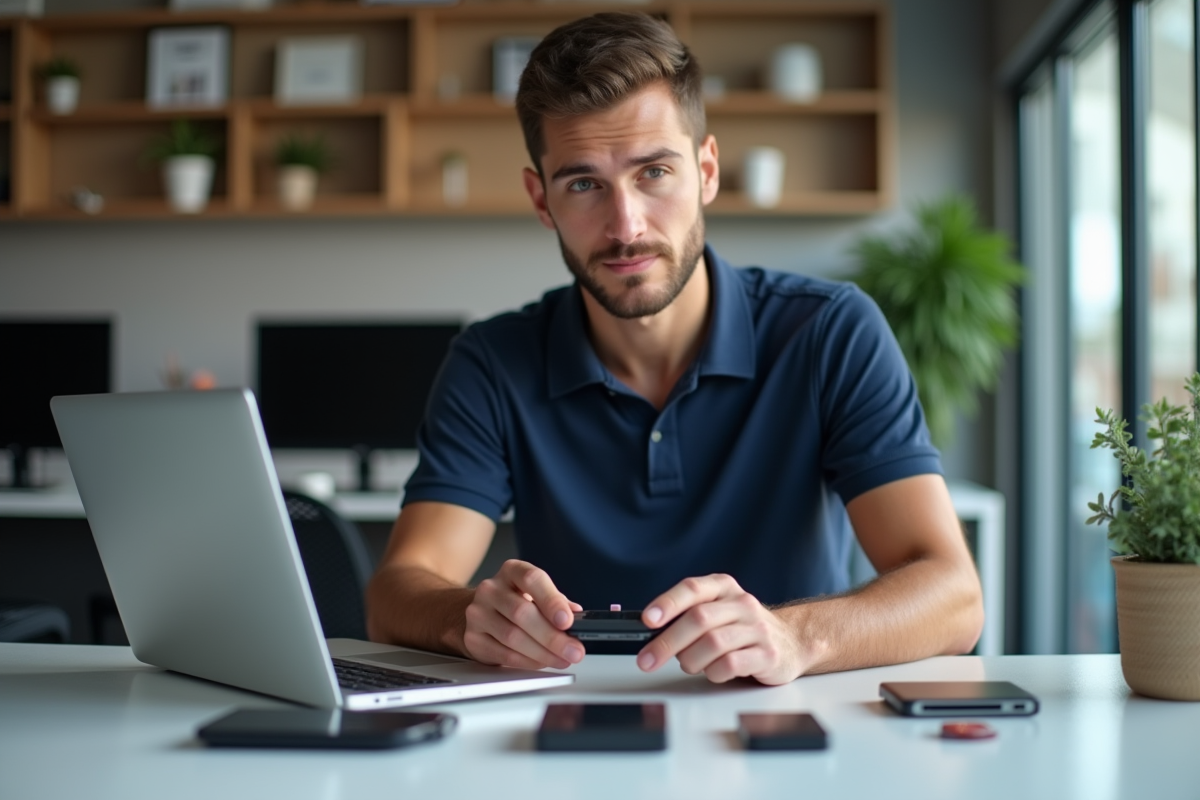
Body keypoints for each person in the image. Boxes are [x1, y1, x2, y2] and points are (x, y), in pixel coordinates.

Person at [366, 12, 983, 686]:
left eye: (653, 172)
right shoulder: (492, 361)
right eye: (583, 184)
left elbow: (953, 597)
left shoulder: (830, 332)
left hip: (784, 722)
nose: (625, 225)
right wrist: (466, 617)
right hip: (573, 728)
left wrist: (794, 635)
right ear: (541, 200)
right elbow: (398, 590)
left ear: (706, 170)